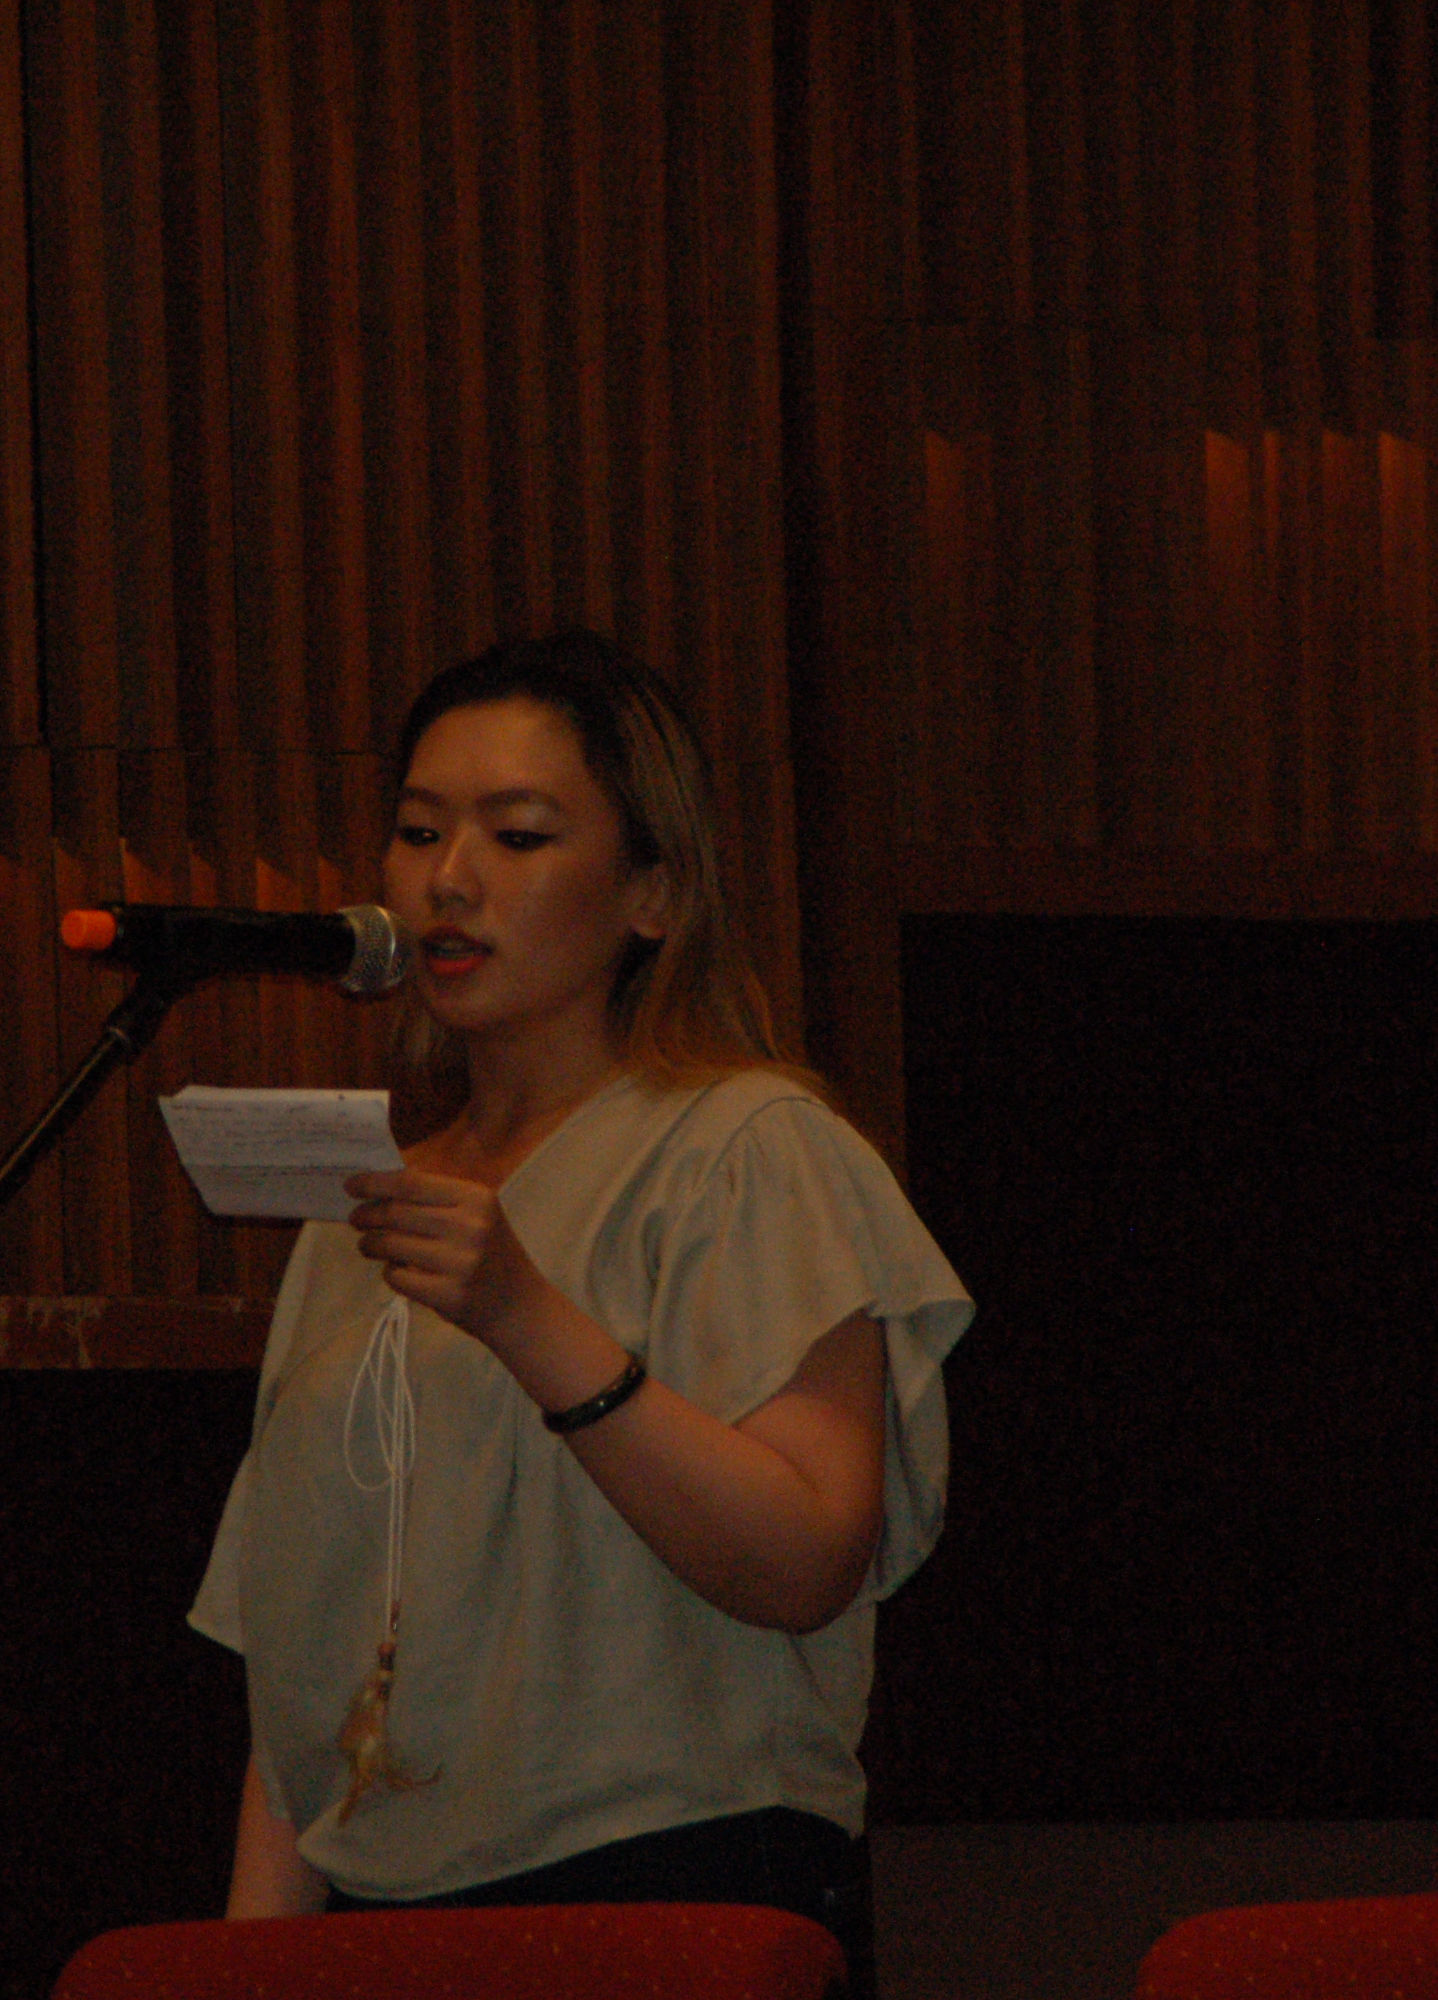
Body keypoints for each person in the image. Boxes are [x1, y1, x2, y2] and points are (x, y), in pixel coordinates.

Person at [188, 630, 972, 1990]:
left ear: (653, 894)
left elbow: (807, 1559)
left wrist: (527, 1318)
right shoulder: (359, 1209)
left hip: (670, 1890)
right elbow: (302, 1665)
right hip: (378, 1908)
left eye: (519, 835)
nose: (450, 879)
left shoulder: (749, 1145)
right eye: (419, 831)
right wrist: (247, 1967)